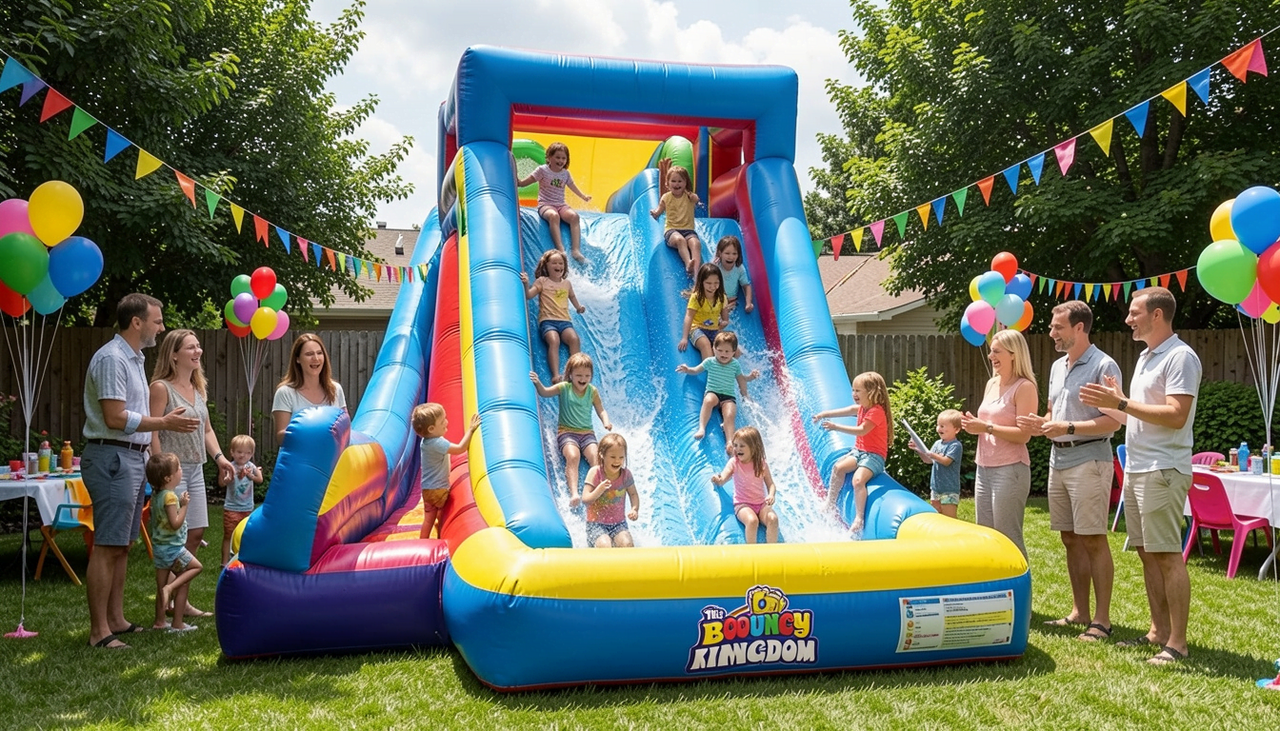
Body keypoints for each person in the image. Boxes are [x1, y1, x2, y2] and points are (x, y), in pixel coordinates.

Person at [1081, 286, 1200, 666]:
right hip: (1138, 467)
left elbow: (1176, 415)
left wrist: (1120, 401)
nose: (1128, 319)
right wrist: (1115, 404)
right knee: (1148, 554)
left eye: (1135, 313)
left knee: (1167, 555)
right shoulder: (1147, 357)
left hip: (1163, 468)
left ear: (1157, 315)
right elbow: (1137, 413)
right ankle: (1158, 631)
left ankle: (1177, 643)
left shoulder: (1181, 357)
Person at [81, 293, 200, 649]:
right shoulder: (112, 359)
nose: (161, 328)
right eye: (157, 321)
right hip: (112, 457)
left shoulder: (135, 359)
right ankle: (99, 632)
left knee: (123, 545)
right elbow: (114, 417)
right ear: (137, 322)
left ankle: (116, 620)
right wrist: (162, 423)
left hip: (132, 458)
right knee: (107, 545)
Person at [1017, 301, 1121, 643]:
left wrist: (1068, 427)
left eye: (1058, 327)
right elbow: (1053, 413)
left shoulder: (1103, 365)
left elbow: (1113, 422)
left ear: (1079, 328)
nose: (1051, 333)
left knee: (1093, 539)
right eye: (1052, 327)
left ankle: (1102, 621)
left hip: (1090, 460)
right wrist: (1041, 423)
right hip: (1058, 459)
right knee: (1069, 538)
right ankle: (1080, 612)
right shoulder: (1057, 367)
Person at [150, 329, 235, 617]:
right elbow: (153, 432)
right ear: (174, 355)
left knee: (196, 533)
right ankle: (166, 604)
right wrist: (160, 474)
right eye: (190, 347)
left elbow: (206, 430)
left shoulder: (198, 388)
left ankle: (177, 598)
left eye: (198, 346)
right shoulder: (161, 388)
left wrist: (220, 459)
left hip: (196, 469)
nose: (198, 351)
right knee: (173, 536)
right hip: (171, 473)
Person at [961, 329, 1038, 558]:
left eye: (996, 351)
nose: (990, 356)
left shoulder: (1024, 387)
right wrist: (973, 424)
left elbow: (1024, 435)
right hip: (984, 468)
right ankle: (994, 581)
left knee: (1008, 537)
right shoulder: (991, 383)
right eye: (990, 351)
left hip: (1010, 469)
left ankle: (1020, 581)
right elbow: (987, 422)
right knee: (985, 536)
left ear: (1013, 354)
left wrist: (986, 427)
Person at [814, 371, 894, 535]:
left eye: (858, 391)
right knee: (838, 468)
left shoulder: (876, 411)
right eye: (853, 390)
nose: (854, 394)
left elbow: (862, 430)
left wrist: (836, 427)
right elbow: (850, 409)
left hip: (874, 456)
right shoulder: (864, 408)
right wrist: (825, 414)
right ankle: (830, 503)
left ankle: (859, 518)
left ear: (871, 392)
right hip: (859, 451)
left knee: (858, 481)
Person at [530, 353, 613, 507]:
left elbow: (601, 410)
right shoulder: (564, 388)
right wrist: (538, 383)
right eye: (579, 375)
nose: (583, 379)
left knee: (596, 456)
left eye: (587, 375)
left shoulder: (592, 391)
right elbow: (545, 392)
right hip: (567, 433)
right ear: (570, 375)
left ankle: (596, 490)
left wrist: (606, 422)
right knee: (573, 456)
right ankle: (574, 493)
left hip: (587, 434)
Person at [146, 453, 203, 632]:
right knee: (193, 570)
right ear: (168, 478)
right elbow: (175, 523)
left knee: (160, 586)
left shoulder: (157, 495)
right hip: (173, 549)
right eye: (178, 469)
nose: (181, 471)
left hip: (160, 548)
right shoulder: (170, 497)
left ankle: (159, 622)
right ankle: (178, 623)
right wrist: (184, 505)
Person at [675, 331, 759, 451]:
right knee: (708, 400)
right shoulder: (710, 361)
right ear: (713, 349)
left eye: (727, 351)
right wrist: (687, 369)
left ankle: (729, 442)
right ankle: (702, 428)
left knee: (730, 414)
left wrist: (750, 377)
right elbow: (696, 370)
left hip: (728, 396)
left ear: (734, 352)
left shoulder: (735, 365)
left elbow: (742, 379)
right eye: (720, 350)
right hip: (713, 392)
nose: (723, 354)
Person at [411, 404, 481, 539]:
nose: (447, 422)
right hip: (439, 490)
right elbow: (460, 448)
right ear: (431, 429)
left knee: (428, 520)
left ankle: (422, 542)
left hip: (427, 489)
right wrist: (471, 430)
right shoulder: (437, 443)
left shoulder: (425, 441)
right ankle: (443, 537)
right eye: (442, 421)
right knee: (443, 516)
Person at [517, 141, 592, 263]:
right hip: (545, 205)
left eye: (563, 158)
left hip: (561, 205)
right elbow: (529, 180)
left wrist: (583, 196)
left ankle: (576, 250)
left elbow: (572, 186)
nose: (561, 161)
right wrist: (520, 183)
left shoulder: (565, 174)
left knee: (574, 217)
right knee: (553, 216)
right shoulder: (542, 170)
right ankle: (560, 249)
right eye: (557, 157)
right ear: (549, 157)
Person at [521, 249, 587, 382]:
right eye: (554, 263)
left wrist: (578, 307)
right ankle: (556, 375)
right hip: (548, 321)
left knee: (574, 339)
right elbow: (528, 295)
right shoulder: (542, 281)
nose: (558, 266)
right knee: (554, 340)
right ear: (546, 266)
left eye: (561, 263)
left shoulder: (566, 283)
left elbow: (572, 296)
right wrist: (526, 283)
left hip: (565, 321)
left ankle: (576, 371)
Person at [273, 333, 347, 442]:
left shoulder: (336, 389)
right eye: (309, 354)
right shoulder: (285, 393)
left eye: (319, 353)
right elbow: (280, 437)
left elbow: (346, 428)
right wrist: (310, 430)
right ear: (298, 359)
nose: (315, 358)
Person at [711, 426, 778, 544]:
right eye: (735, 445)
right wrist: (718, 479)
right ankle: (752, 551)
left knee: (773, 519)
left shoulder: (761, 464)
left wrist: (771, 495)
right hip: (743, 504)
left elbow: (771, 484)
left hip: (761, 504)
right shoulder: (734, 463)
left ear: (753, 447)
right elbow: (723, 478)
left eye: (742, 446)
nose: (737, 449)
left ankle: (772, 550)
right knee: (752, 521)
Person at [581, 433, 641, 548]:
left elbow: (633, 494)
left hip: (619, 524)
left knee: (626, 543)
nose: (617, 461)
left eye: (621, 457)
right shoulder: (595, 473)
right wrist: (599, 489)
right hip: (596, 524)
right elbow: (585, 499)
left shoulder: (626, 475)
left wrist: (635, 509)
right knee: (605, 545)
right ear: (602, 455)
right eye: (613, 457)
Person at [910, 409, 964, 519]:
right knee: (938, 518)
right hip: (935, 488)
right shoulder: (937, 443)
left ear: (956, 429)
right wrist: (918, 449)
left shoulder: (955, 445)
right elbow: (928, 460)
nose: (939, 428)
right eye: (938, 425)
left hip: (949, 489)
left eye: (943, 426)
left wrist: (932, 454)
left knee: (950, 519)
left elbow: (946, 461)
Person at [650, 164, 702, 277]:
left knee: (696, 243)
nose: (677, 184)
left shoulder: (689, 196)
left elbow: (696, 200)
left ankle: (697, 272)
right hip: (672, 230)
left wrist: (695, 198)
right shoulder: (666, 197)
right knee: (680, 240)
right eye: (673, 181)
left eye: (680, 181)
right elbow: (659, 211)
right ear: (668, 183)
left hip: (688, 230)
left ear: (685, 183)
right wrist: (655, 213)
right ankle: (688, 264)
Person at [220, 434, 262, 567]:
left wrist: (251, 475)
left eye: (247, 453)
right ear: (232, 452)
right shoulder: (229, 467)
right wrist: (226, 479)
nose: (243, 455)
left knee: (246, 535)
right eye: (239, 452)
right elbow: (221, 482)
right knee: (228, 535)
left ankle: (244, 560)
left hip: (247, 507)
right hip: (231, 507)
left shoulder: (251, 466)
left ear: (251, 454)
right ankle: (224, 562)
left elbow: (260, 479)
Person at [679, 263, 728, 361]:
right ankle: (709, 369)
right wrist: (684, 337)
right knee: (705, 344)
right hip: (697, 328)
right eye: (708, 283)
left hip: (714, 329)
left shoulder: (722, 298)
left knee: (729, 346)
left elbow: (725, 318)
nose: (712, 287)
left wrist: (724, 323)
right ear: (701, 282)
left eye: (716, 283)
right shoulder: (697, 297)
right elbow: (689, 316)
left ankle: (727, 369)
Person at [712, 235, 754, 317]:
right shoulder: (716, 266)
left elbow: (746, 286)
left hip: (730, 300)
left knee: (725, 314)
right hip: (716, 298)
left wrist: (748, 303)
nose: (731, 257)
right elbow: (706, 280)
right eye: (727, 253)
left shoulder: (739, 268)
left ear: (738, 255)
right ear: (720, 253)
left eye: (734, 253)